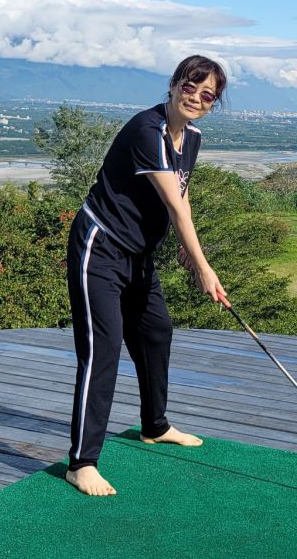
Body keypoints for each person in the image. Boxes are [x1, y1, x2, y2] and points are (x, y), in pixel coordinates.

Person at [64, 55, 232, 497]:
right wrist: (202, 266)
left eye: (207, 94)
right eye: (190, 86)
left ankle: (154, 425)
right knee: (103, 350)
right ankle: (81, 463)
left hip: (138, 255)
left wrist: (183, 245)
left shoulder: (190, 137)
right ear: (174, 85)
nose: (196, 97)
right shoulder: (147, 130)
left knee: (156, 332)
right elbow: (175, 206)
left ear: (214, 103)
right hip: (98, 249)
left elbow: (181, 194)